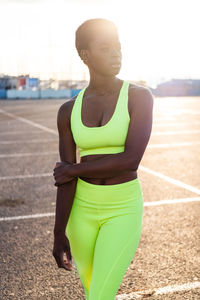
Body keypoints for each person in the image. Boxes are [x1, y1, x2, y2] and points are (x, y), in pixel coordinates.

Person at [52, 18, 154, 300]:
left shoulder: (139, 97)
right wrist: (59, 232)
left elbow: (131, 159)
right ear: (85, 55)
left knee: (100, 294)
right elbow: (65, 178)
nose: (116, 54)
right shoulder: (67, 110)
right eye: (106, 48)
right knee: (92, 292)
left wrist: (75, 169)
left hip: (123, 207)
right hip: (81, 212)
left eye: (118, 47)